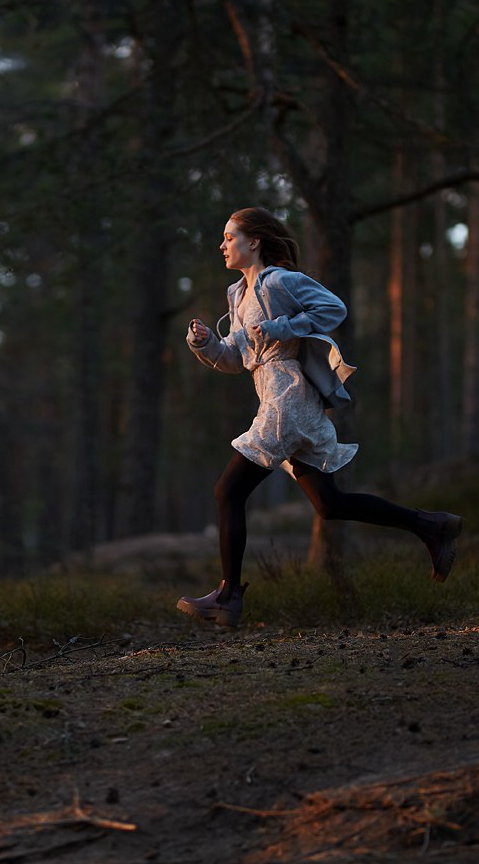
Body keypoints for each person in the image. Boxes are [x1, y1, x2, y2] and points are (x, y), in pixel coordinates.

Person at [177, 206, 462, 628]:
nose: (222, 245)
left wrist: (281, 328)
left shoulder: (280, 280)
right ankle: (432, 526)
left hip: (288, 397)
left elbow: (334, 309)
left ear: (254, 242)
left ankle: (229, 594)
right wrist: (204, 344)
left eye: (230, 237)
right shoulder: (237, 294)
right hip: (271, 394)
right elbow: (236, 360)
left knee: (228, 491)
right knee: (330, 504)